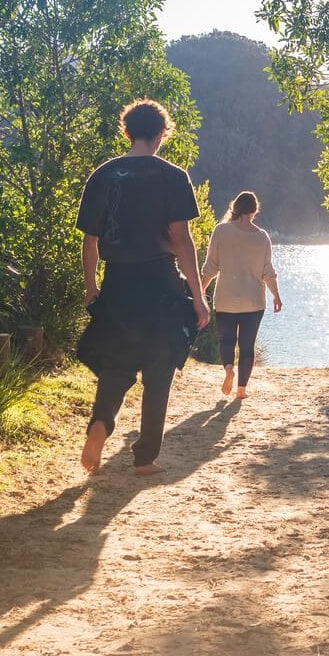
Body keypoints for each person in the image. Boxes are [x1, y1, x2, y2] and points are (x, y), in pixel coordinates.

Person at [73, 99, 209, 475]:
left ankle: (101, 423)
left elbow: (90, 241)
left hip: (118, 279)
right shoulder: (173, 176)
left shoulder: (104, 174)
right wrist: (198, 297)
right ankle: (145, 457)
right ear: (162, 133)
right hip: (161, 280)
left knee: (117, 363)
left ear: (127, 131)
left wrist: (91, 286)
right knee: (159, 365)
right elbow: (181, 240)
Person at [200, 190, 282, 400]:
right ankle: (242, 390)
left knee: (226, 340)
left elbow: (210, 268)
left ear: (235, 208)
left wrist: (199, 291)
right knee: (247, 345)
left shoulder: (221, 231)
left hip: (226, 299)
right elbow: (267, 271)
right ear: (254, 211)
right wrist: (276, 295)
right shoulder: (262, 236)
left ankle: (228, 370)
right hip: (253, 302)